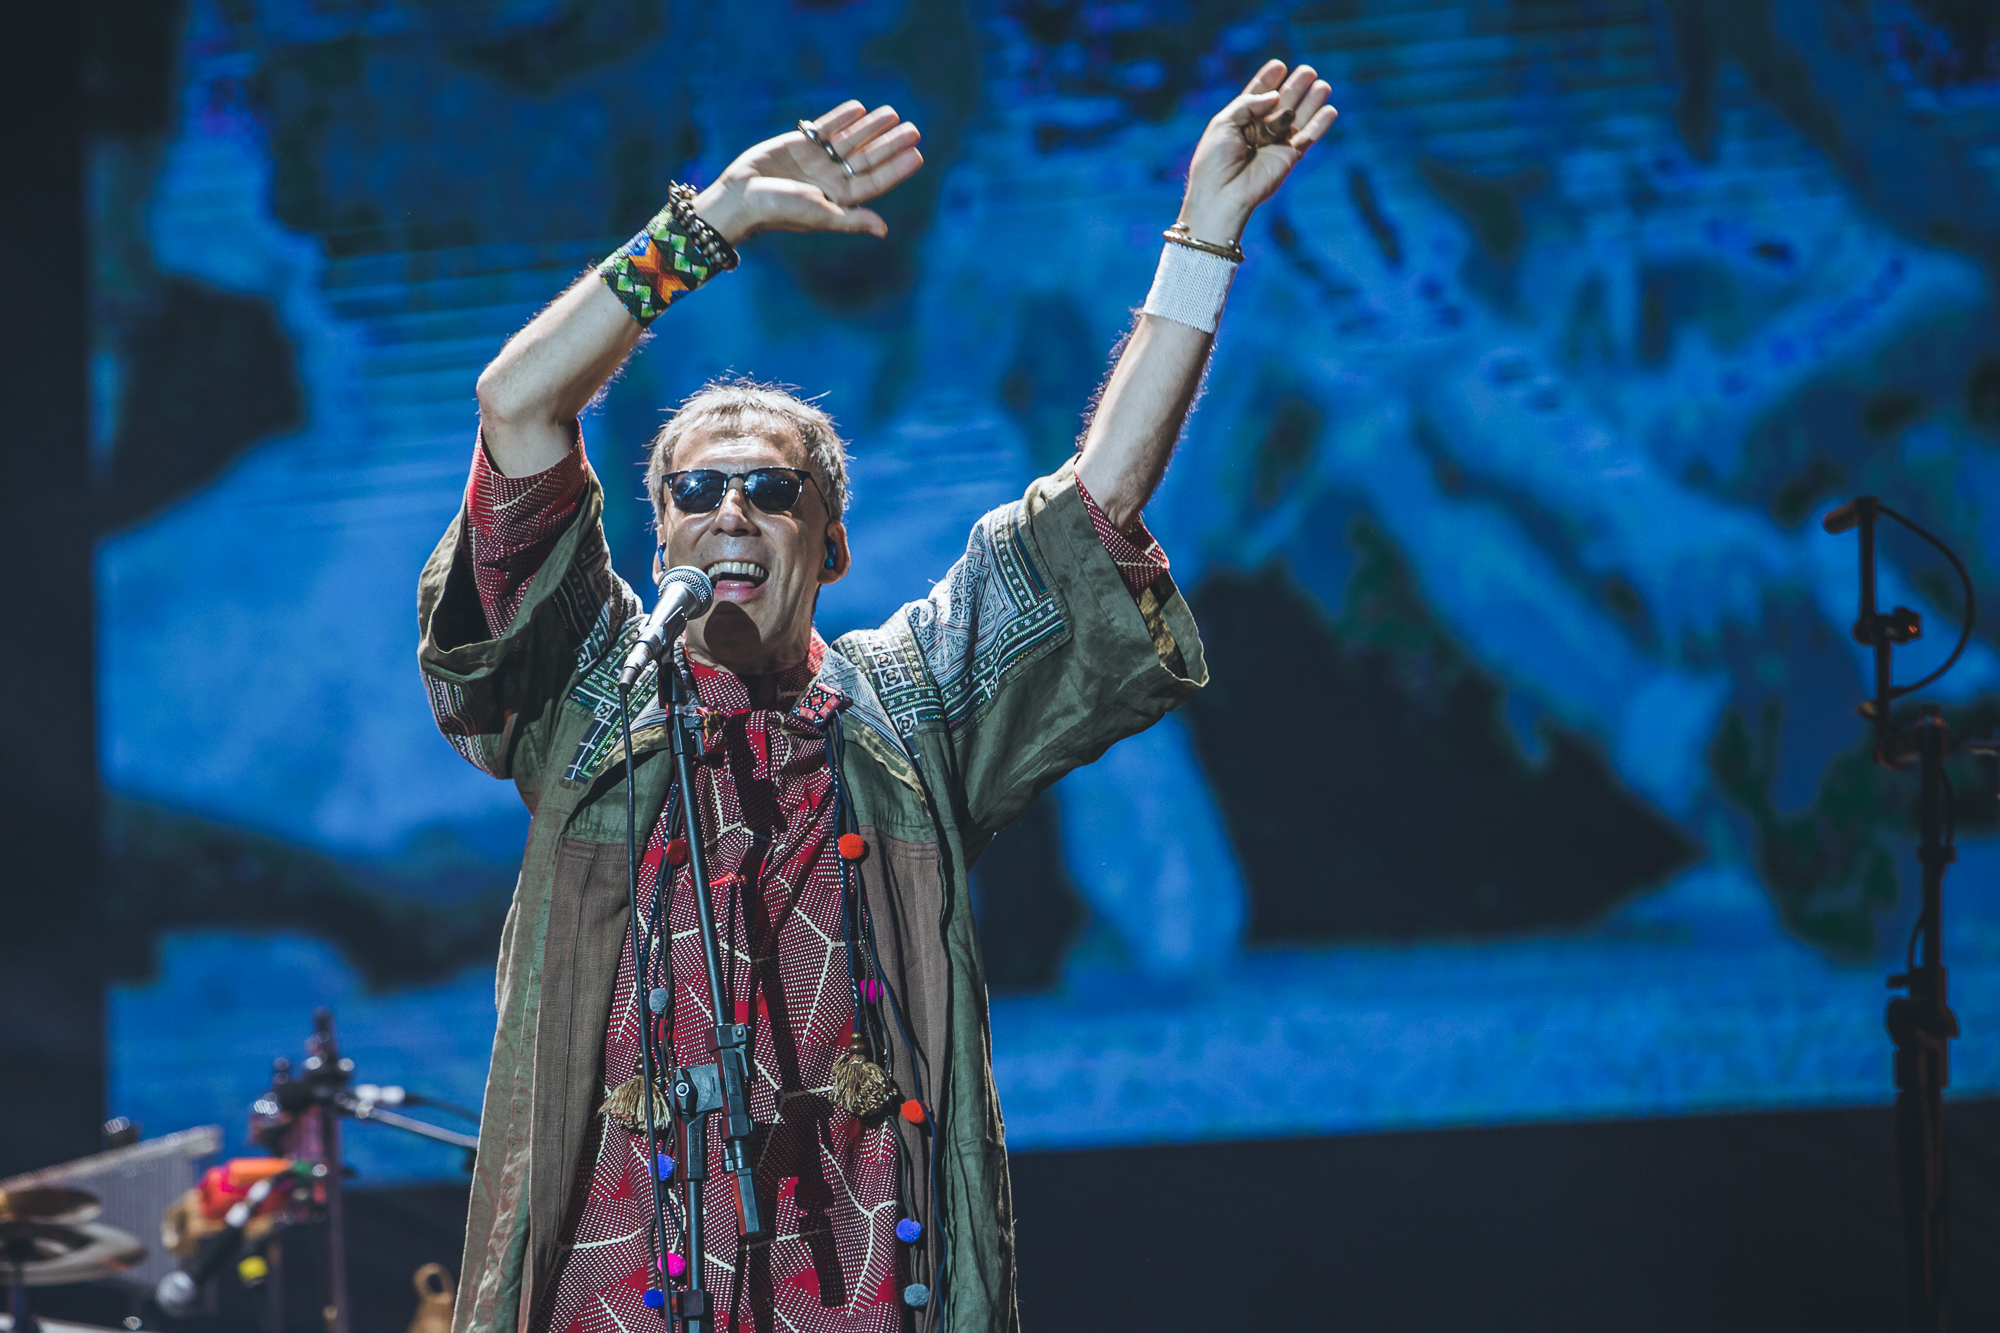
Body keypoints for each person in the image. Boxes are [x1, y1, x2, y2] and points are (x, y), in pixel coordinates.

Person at [420, 60, 1336, 1333]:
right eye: (695, 490)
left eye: (773, 490)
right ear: (657, 534)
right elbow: (516, 404)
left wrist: (1202, 238)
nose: (731, 510)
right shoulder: (592, 695)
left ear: (831, 544)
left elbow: (1090, 514)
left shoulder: (905, 712)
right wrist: (712, 223)